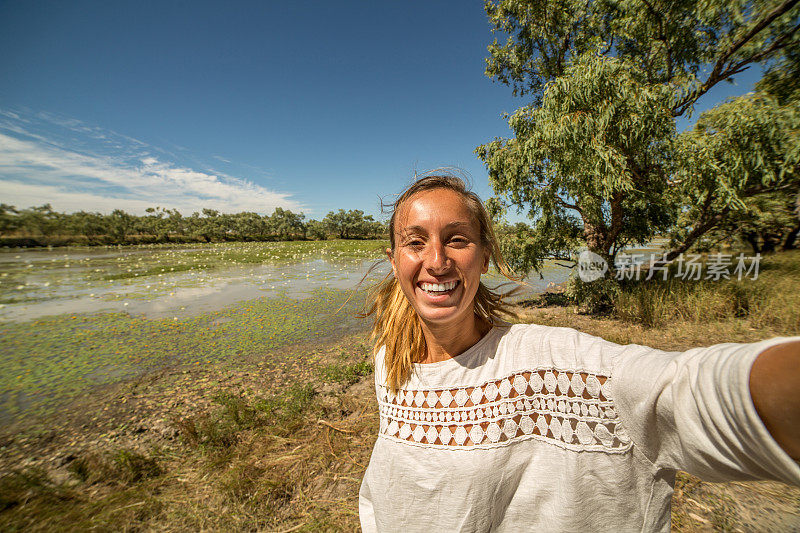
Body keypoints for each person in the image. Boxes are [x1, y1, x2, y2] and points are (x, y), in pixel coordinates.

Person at [358, 174, 800, 532]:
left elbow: (678, 389)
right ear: (395, 259)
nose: (436, 261)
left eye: (456, 239)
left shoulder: (546, 362)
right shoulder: (388, 362)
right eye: (415, 242)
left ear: (485, 256)